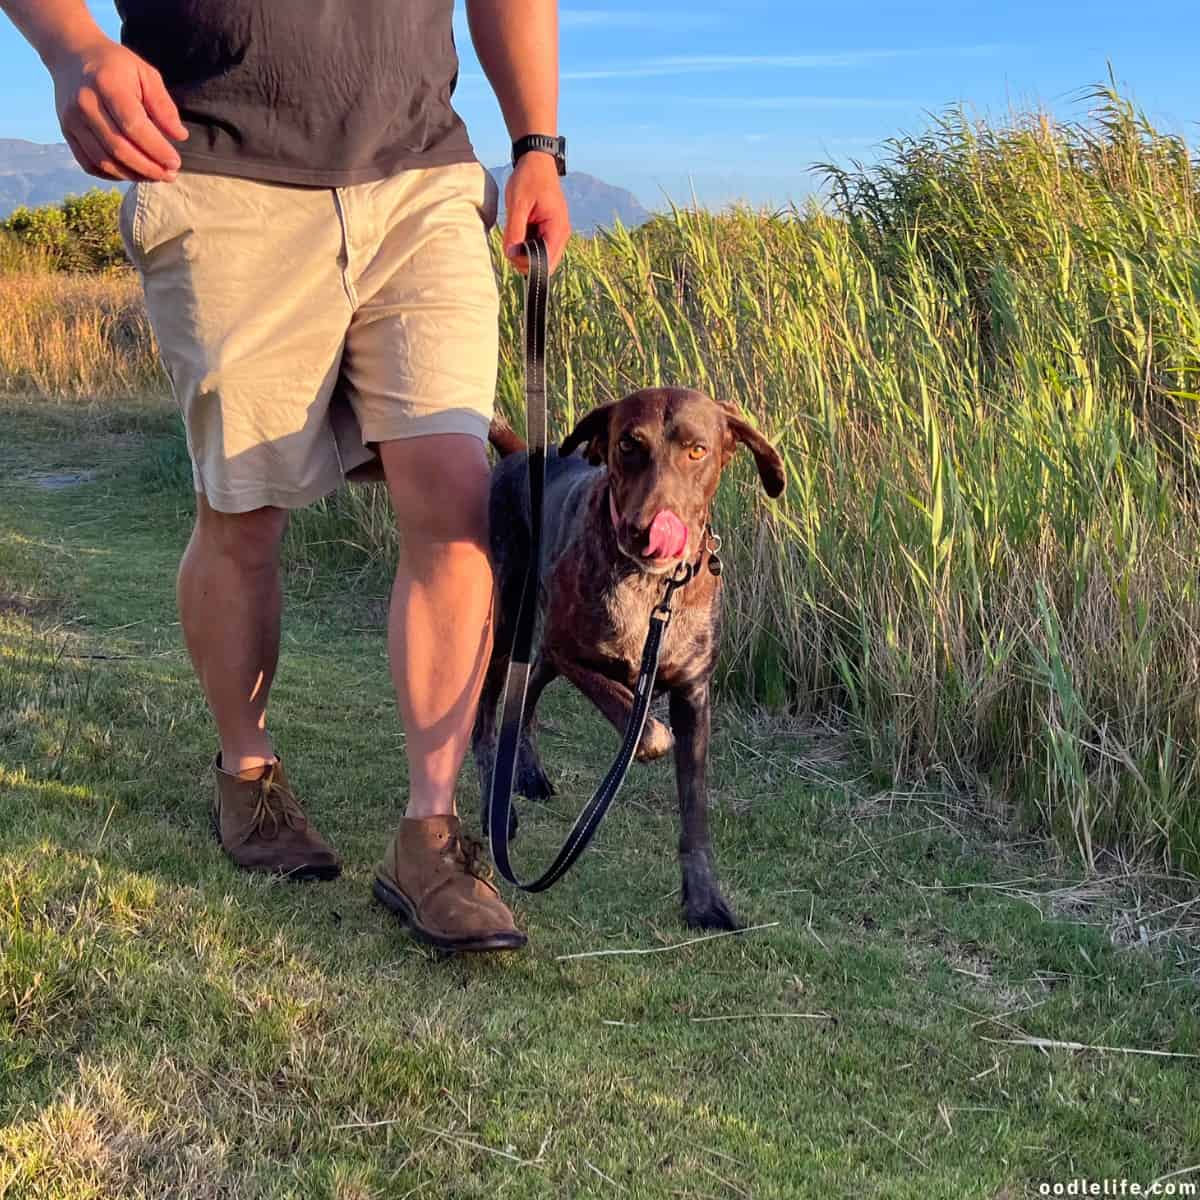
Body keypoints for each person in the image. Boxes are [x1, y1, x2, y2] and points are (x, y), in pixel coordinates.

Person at [1, 0, 570, 953]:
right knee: (244, 510)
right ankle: (247, 772)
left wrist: (539, 144)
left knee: (457, 494)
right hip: (219, 169)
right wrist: (74, 45)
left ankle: (430, 837)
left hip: (423, 173)